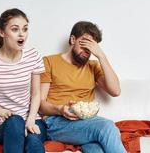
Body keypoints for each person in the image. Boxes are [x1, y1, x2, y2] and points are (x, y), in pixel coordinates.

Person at [39, 21, 127, 153]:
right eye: (84, 43)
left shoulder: (93, 66)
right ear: (73, 39)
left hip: (86, 122)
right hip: (56, 122)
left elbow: (115, 91)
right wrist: (60, 109)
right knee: (107, 127)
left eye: (91, 47)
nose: (87, 50)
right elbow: (40, 104)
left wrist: (101, 56)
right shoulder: (49, 62)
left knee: (97, 150)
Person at [0, 8, 47, 153]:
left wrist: (31, 120)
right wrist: (3, 112)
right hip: (4, 124)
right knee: (15, 121)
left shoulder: (33, 56)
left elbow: (36, 94)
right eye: (15, 29)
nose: (22, 34)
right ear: (2, 32)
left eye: (25, 29)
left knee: (34, 143)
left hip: (33, 119)